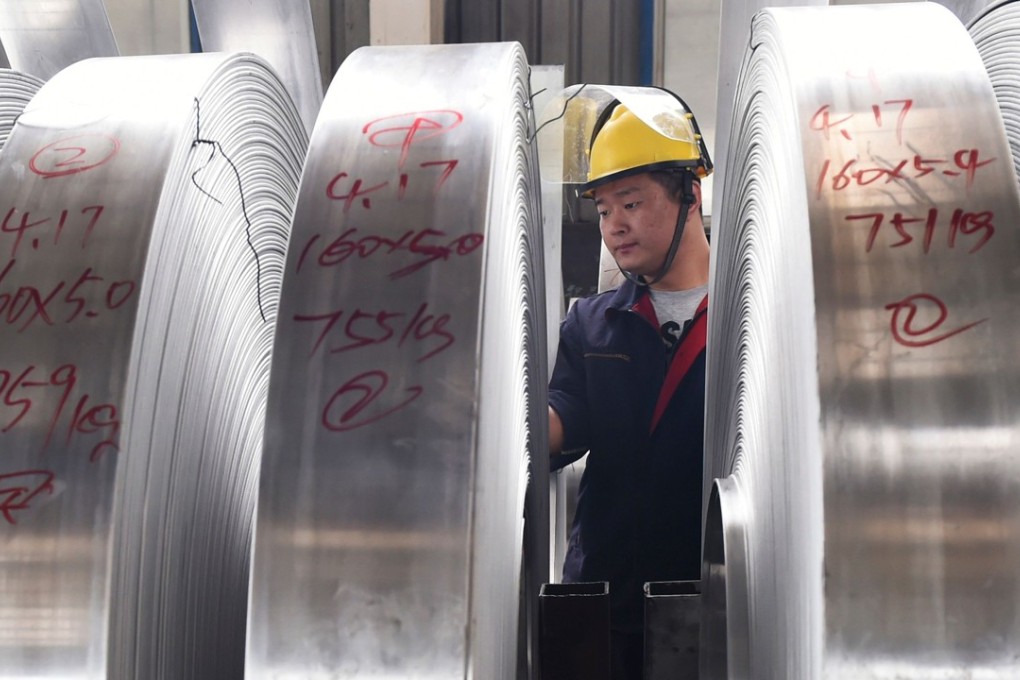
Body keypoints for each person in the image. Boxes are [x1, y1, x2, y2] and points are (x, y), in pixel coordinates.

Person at [548, 93, 712, 680]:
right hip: (602, 607)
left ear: (690, 194)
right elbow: (562, 421)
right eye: (602, 209)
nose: (613, 225)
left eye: (632, 203)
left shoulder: (750, 321)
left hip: (712, 606)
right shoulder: (592, 324)